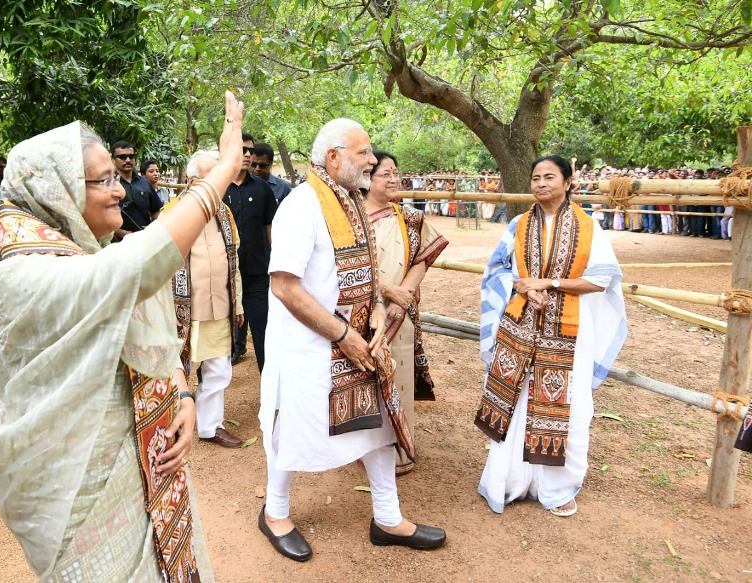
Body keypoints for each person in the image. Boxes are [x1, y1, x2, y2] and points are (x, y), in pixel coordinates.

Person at [0, 91, 245, 581]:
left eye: (117, 178)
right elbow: (141, 267)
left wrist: (180, 392)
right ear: (59, 195)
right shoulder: (24, 278)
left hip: (150, 472)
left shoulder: (95, 254)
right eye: (104, 180)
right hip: (81, 495)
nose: (119, 190)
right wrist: (222, 169)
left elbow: (149, 317)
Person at [258, 118, 446, 562]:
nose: (372, 160)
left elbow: (368, 272)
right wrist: (343, 335)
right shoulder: (302, 205)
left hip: (358, 343)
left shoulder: (351, 203)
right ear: (334, 157)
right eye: (363, 153)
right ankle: (276, 513)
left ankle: (387, 518)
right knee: (292, 429)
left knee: (378, 427)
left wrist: (377, 310)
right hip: (309, 348)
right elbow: (284, 287)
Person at [476, 154, 627, 518]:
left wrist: (551, 283)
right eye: (536, 178)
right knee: (519, 400)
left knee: (568, 406)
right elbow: (497, 268)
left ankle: (556, 489)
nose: (541, 183)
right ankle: (508, 480)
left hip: (569, 332)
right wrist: (524, 288)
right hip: (522, 325)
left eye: (549, 177)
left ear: (568, 182)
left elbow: (602, 279)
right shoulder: (518, 224)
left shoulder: (590, 228)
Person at [364, 151, 449, 475]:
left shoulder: (410, 218)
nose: (393, 179)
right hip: (365, 313)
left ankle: (399, 450)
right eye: (385, 173)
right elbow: (346, 264)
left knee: (399, 378)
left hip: (402, 314)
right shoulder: (352, 220)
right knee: (366, 379)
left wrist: (403, 295)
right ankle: (367, 450)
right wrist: (386, 290)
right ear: (368, 180)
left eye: (395, 173)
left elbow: (421, 260)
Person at [175, 151, 245, 448]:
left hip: (220, 307)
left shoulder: (225, 214)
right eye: (211, 178)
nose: (220, 184)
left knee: (218, 369)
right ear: (192, 181)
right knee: (175, 371)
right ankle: (171, 426)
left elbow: (234, 263)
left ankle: (209, 426)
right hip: (182, 311)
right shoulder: (173, 214)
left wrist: (238, 303)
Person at [224, 132, 277, 370]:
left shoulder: (264, 190)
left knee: (265, 333)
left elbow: (270, 229)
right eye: (242, 149)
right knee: (217, 338)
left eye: (250, 150)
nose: (247, 155)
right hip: (222, 278)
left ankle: (273, 397)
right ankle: (207, 398)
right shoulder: (216, 189)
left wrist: (277, 265)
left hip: (257, 275)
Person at [112, 140, 163, 238]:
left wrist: (157, 227)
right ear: (113, 160)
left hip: (144, 240)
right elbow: (101, 219)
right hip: (116, 244)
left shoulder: (145, 183)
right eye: (122, 157)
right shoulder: (108, 184)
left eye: (131, 156)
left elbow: (156, 210)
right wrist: (121, 233)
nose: (127, 160)